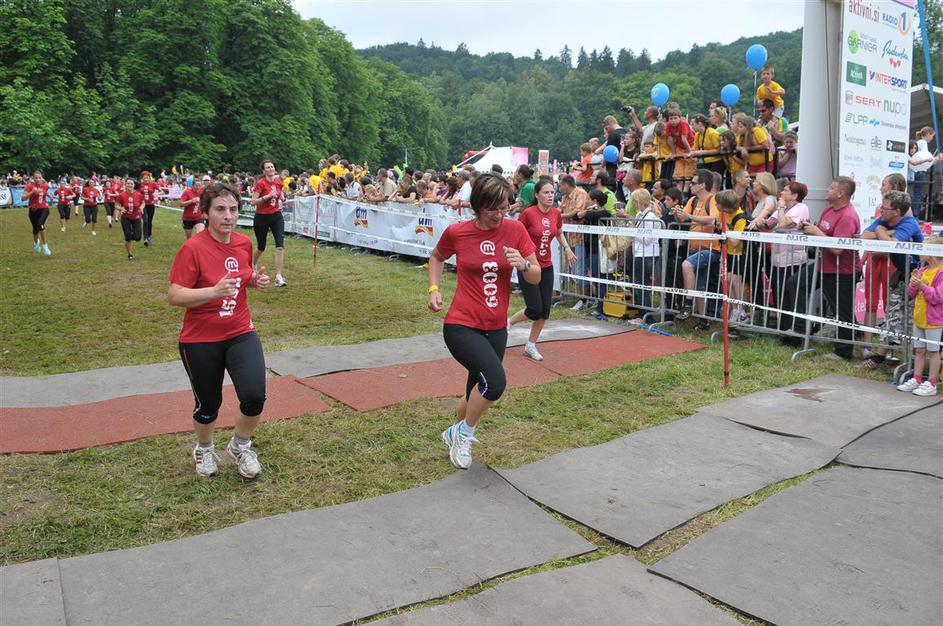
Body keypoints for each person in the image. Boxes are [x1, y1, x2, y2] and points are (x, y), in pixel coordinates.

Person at [427, 173, 540, 469]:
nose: (500, 215)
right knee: (495, 383)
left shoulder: (514, 230)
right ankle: (464, 434)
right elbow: (436, 257)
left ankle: (456, 433)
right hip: (461, 324)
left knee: (476, 388)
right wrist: (434, 289)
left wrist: (524, 264)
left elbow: (536, 275)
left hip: (496, 327)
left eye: (504, 208)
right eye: (493, 209)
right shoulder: (458, 232)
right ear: (478, 205)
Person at [168, 182, 271, 477]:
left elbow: (243, 274)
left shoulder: (243, 243)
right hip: (200, 339)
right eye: (220, 209)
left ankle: (240, 446)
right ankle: (204, 448)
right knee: (208, 405)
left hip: (240, 331)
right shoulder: (193, 249)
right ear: (206, 212)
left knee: (254, 395)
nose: (228, 216)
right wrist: (213, 292)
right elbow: (175, 295)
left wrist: (255, 281)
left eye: (234, 209)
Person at [509, 179, 577, 361]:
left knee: (544, 311)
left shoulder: (556, 213)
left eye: (552, 192)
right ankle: (509, 323)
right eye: (546, 192)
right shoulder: (528, 213)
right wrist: (518, 258)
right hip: (529, 266)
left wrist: (567, 248)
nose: (550, 195)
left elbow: (559, 232)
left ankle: (531, 345)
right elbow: (517, 234)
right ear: (537, 195)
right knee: (534, 309)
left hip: (546, 266)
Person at [799, 176, 862, 359]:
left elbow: (837, 249)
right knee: (797, 284)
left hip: (843, 270)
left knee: (842, 311)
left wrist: (817, 232)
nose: (827, 189)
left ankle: (844, 351)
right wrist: (809, 229)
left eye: (832, 187)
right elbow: (823, 233)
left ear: (841, 193)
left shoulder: (847, 216)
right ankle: (798, 330)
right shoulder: (829, 209)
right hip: (825, 266)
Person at [672, 169, 720, 328]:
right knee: (699, 286)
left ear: (702, 185)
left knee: (686, 265)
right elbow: (682, 218)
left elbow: (714, 219)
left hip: (710, 248)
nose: (690, 185)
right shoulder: (692, 200)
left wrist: (690, 217)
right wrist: (677, 213)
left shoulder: (713, 199)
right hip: (694, 247)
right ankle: (703, 319)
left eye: (693, 183)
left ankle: (687, 304)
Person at [896, 236, 943, 397]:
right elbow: (911, 293)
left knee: (934, 352)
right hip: (919, 318)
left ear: (933, 253)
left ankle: (931, 383)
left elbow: (937, 297)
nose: (919, 252)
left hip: (934, 320)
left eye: (923, 249)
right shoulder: (922, 270)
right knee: (920, 350)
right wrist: (913, 282)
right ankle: (916, 379)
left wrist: (921, 285)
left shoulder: (941, 273)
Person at [251, 160, 287, 287]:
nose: (271, 168)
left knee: (280, 246)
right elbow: (253, 201)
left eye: (272, 166)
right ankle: (252, 264)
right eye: (268, 167)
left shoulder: (278, 182)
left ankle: (279, 276)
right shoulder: (261, 183)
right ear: (264, 171)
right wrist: (267, 196)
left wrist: (283, 198)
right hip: (262, 217)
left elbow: (280, 194)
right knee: (261, 247)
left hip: (276, 216)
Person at [629, 188, 662, 309]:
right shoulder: (640, 214)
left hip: (647, 254)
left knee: (641, 285)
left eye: (634, 201)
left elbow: (647, 239)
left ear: (639, 201)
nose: (633, 203)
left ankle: (645, 313)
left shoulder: (651, 217)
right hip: (640, 253)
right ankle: (641, 311)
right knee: (639, 285)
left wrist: (633, 231)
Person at [23, 171, 52, 256]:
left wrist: (49, 195)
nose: (38, 179)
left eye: (40, 177)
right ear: (33, 178)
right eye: (36, 178)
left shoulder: (45, 185)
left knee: (40, 225)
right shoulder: (30, 186)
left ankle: (45, 246)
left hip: (44, 208)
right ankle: (36, 243)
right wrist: (31, 192)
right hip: (33, 210)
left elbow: (45, 191)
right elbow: (23, 198)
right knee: (35, 230)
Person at [117, 177, 144, 261]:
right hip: (126, 217)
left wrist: (141, 207)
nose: (129, 185)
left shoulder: (138, 194)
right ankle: (129, 254)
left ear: (134, 185)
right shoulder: (121, 195)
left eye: (131, 184)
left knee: (138, 237)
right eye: (128, 183)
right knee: (128, 237)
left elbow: (143, 202)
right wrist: (120, 208)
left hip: (136, 217)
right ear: (125, 184)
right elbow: (116, 205)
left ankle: (131, 233)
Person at [139, 171, 159, 247]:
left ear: (149, 177)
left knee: (149, 221)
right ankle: (145, 238)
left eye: (147, 177)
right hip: (142, 205)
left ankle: (149, 235)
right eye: (144, 178)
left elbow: (161, 191)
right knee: (145, 221)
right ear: (142, 178)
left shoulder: (153, 184)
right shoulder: (140, 184)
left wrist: (156, 193)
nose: (146, 179)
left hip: (151, 204)